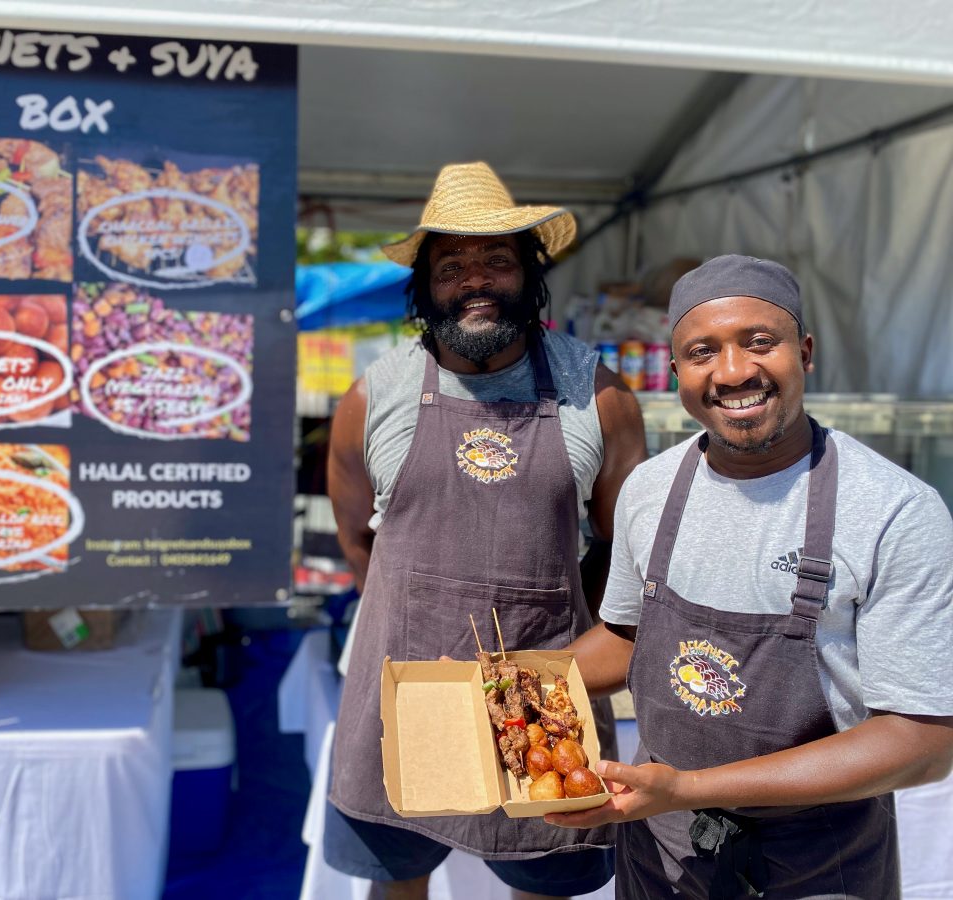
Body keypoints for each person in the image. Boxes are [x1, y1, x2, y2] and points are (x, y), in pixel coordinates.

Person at [546, 254, 953, 899]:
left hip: (821, 858)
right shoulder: (649, 490)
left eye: (759, 342)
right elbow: (628, 639)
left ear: (806, 351)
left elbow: (922, 743)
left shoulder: (895, 511)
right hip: (665, 850)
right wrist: (504, 680)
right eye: (702, 351)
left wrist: (691, 787)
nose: (733, 372)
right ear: (675, 369)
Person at [324, 161, 647, 900]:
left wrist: (564, 643)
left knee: (542, 878)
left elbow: (624, 559)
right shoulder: (372, 398)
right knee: (396, 879)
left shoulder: (599, 397)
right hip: (401, 686)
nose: (476, 280)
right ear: (424, 286)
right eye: (452, 266)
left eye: (497, 260)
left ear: (530, 275)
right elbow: (354, 540)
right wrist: (410, 619)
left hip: (543, 688)